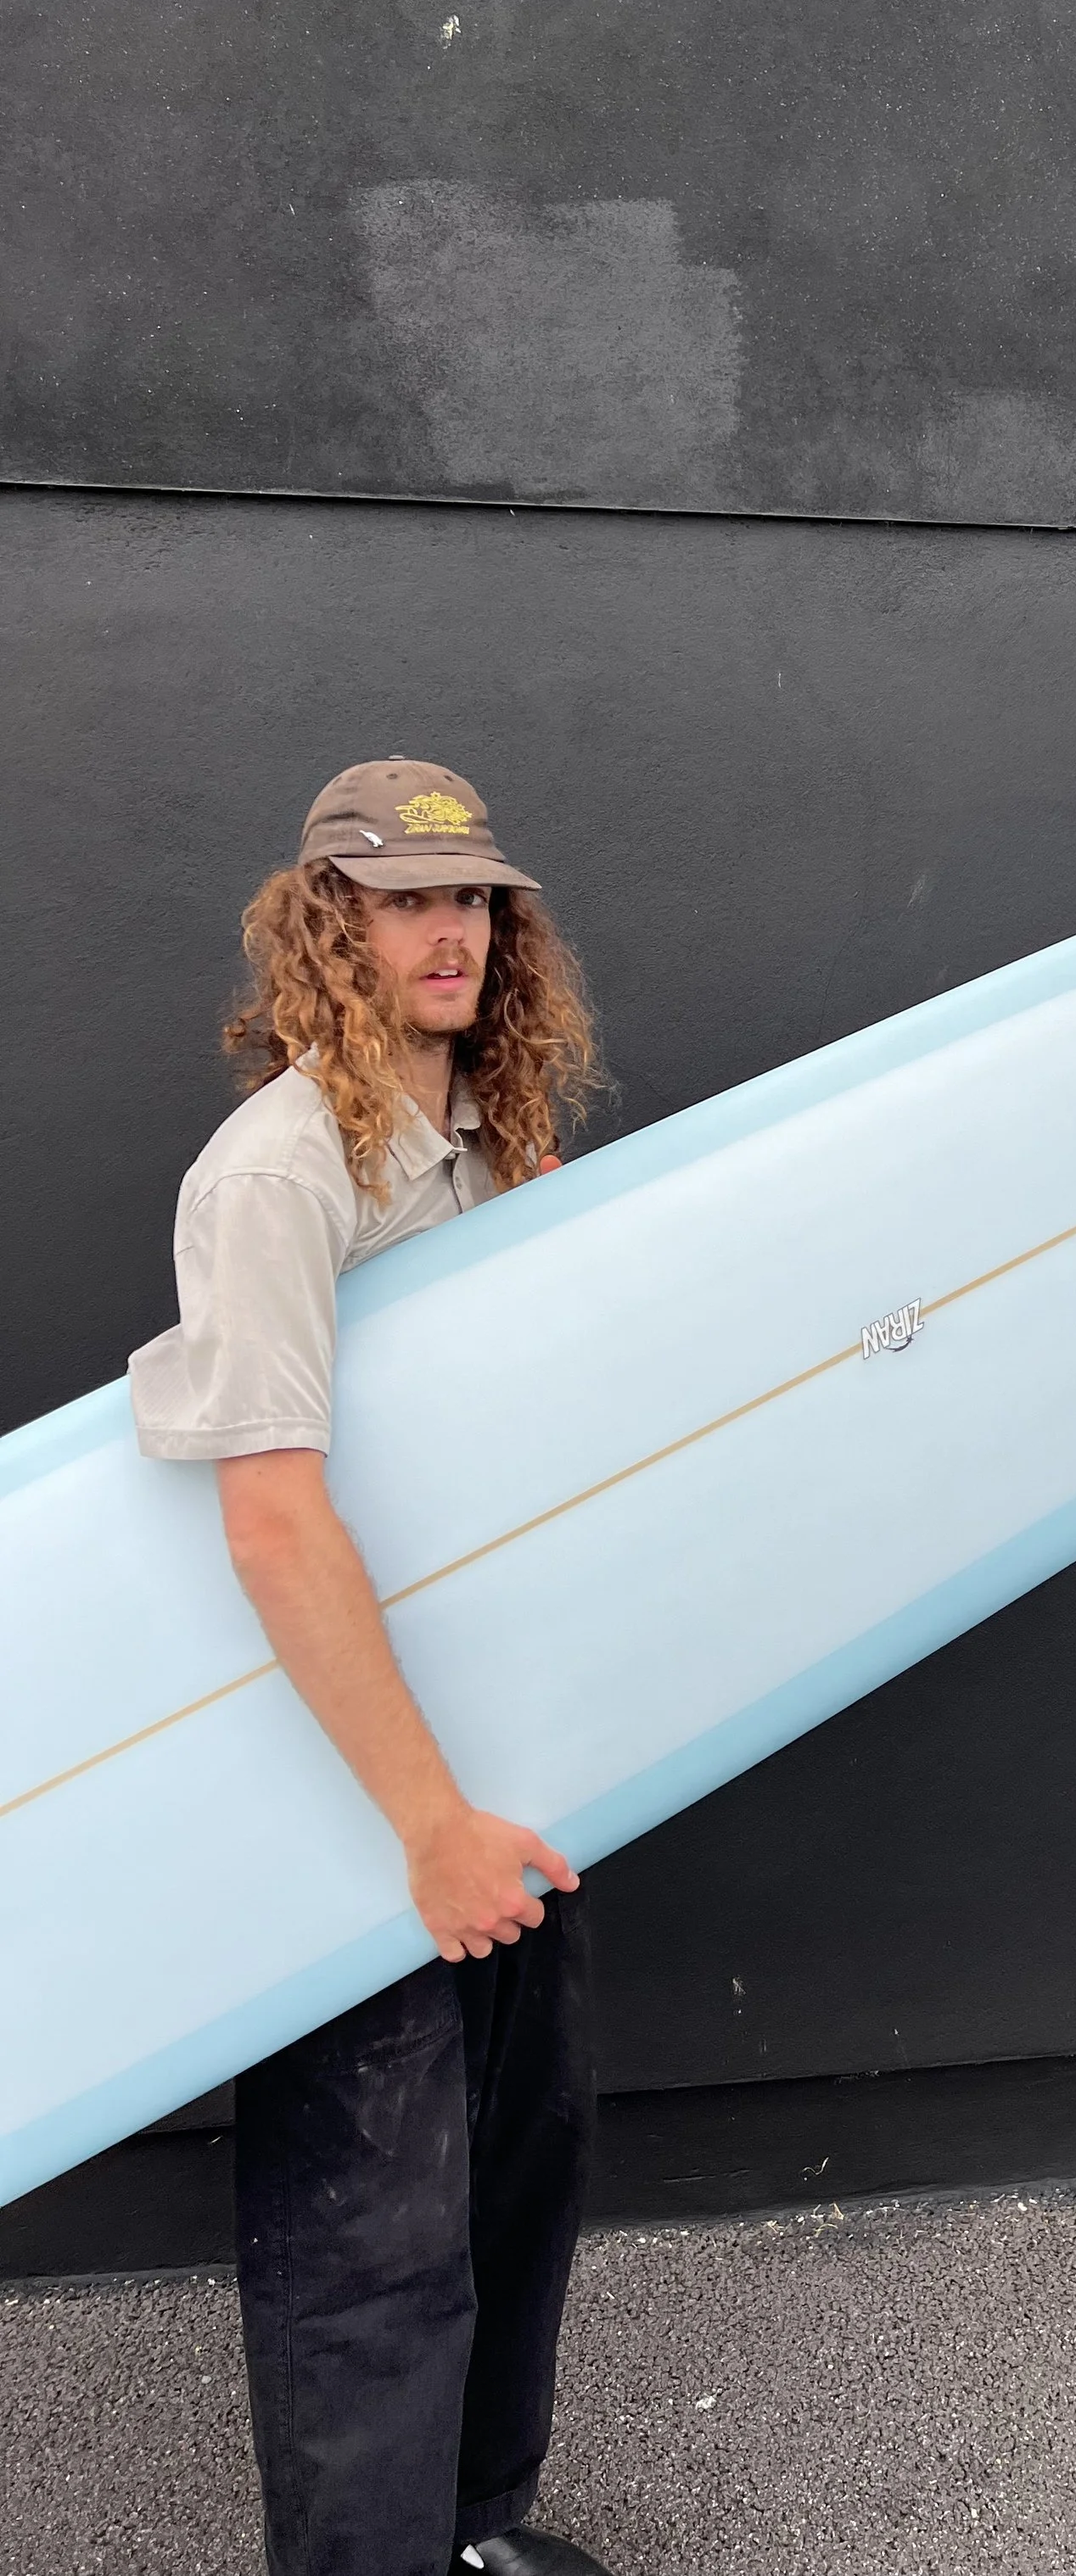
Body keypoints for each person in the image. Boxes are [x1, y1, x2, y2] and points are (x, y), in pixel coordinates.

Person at [129, 760, 616, 2576]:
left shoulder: (492, 1145)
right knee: (374, 2224)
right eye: (407, 900)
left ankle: (475, 2526)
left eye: (476, 899)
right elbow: (271, 1523)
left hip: (511, 1749)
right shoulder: (278, 1173)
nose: (451, 931)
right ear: (327, 920)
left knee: (515, 2174)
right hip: (361, 1782)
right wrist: (422, 1825)